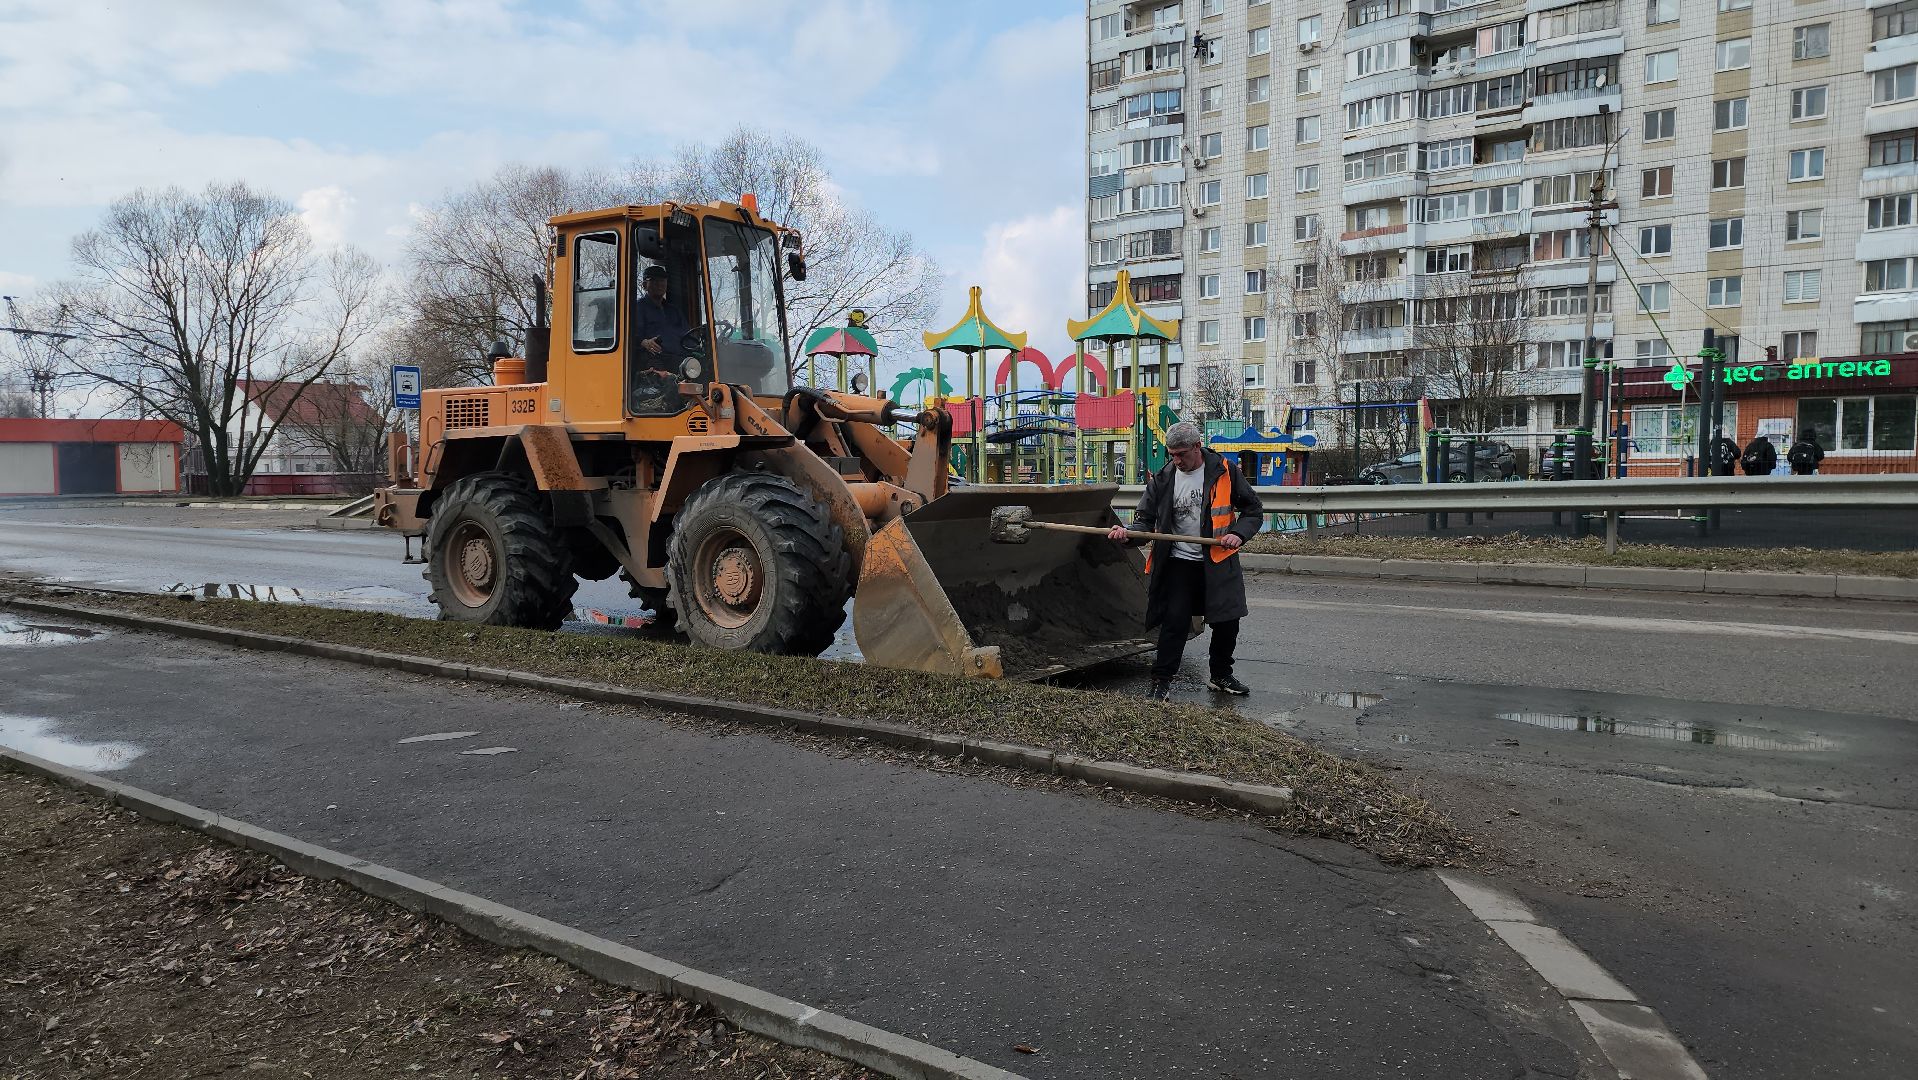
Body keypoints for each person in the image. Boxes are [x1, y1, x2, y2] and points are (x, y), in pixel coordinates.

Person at [1107, 422, 1264, 701]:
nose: (1177, 461)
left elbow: (1253, 510)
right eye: (1172, 455)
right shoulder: (1163, 479)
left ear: (1197, 447)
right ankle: (1161, 681)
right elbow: (1144, 522)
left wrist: (1238, 534)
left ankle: (1220, 675)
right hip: (1177, 562)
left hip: (1218, 559)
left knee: (1227, 621)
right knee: (1174, 621)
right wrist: (1127, 535)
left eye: (1181, 454)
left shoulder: (1224, 471)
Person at [633, 265, 689, 372]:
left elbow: (688, 336)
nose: (659, 284)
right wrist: (644, 342)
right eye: (654, 280)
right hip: (654, 360)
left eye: (662, 280)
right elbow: (629, 335)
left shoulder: (674, 311)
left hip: (681, 360)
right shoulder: (637, 308)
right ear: (644, 285)